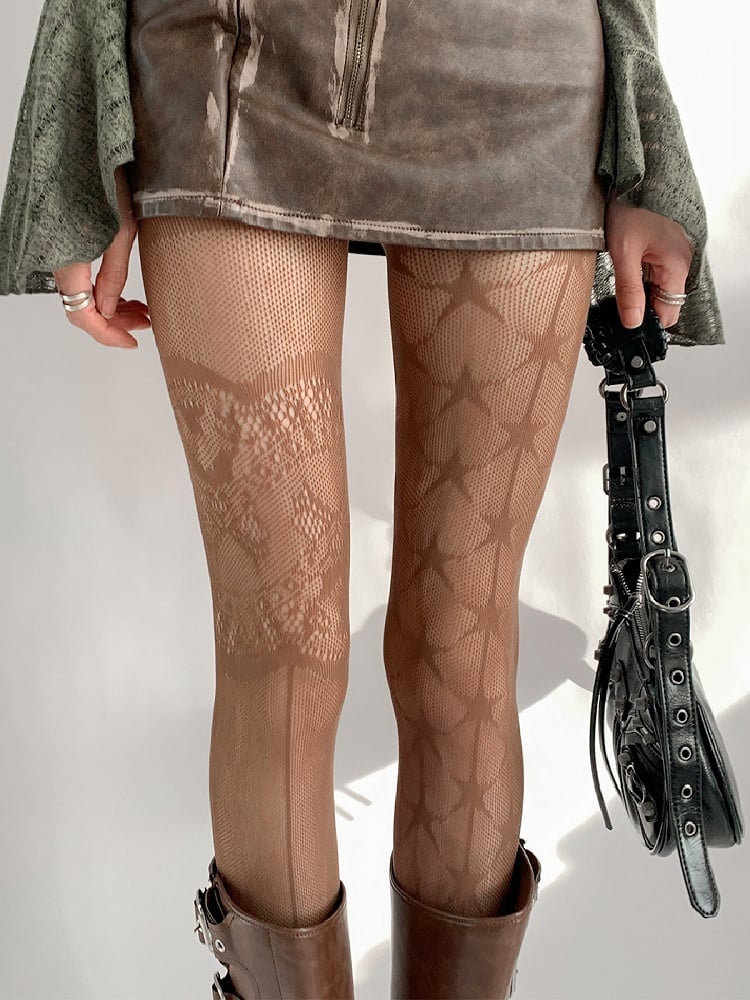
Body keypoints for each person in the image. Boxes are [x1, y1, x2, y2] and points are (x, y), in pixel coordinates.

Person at [0, 0, 726, 997]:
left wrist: (644, 143)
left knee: (460, 642)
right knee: (280, 646)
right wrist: (87, 136)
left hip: (514, 63)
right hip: (225, 68)